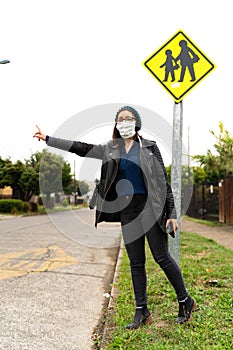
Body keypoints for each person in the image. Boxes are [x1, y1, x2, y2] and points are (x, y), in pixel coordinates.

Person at [33, 106, 197, 329]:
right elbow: (82, 148)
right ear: (116, 124)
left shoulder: (149, 147)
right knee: (136, 262)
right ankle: (142, 311)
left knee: (161, 257)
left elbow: (163, 182)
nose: (125, 122)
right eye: (121, 119)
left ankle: (185, 301)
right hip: (127, 210)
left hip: (150, 207)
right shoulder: (111, 149)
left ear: (136, 123)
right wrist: (48, 139)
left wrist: (173, 214)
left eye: (129, 119)